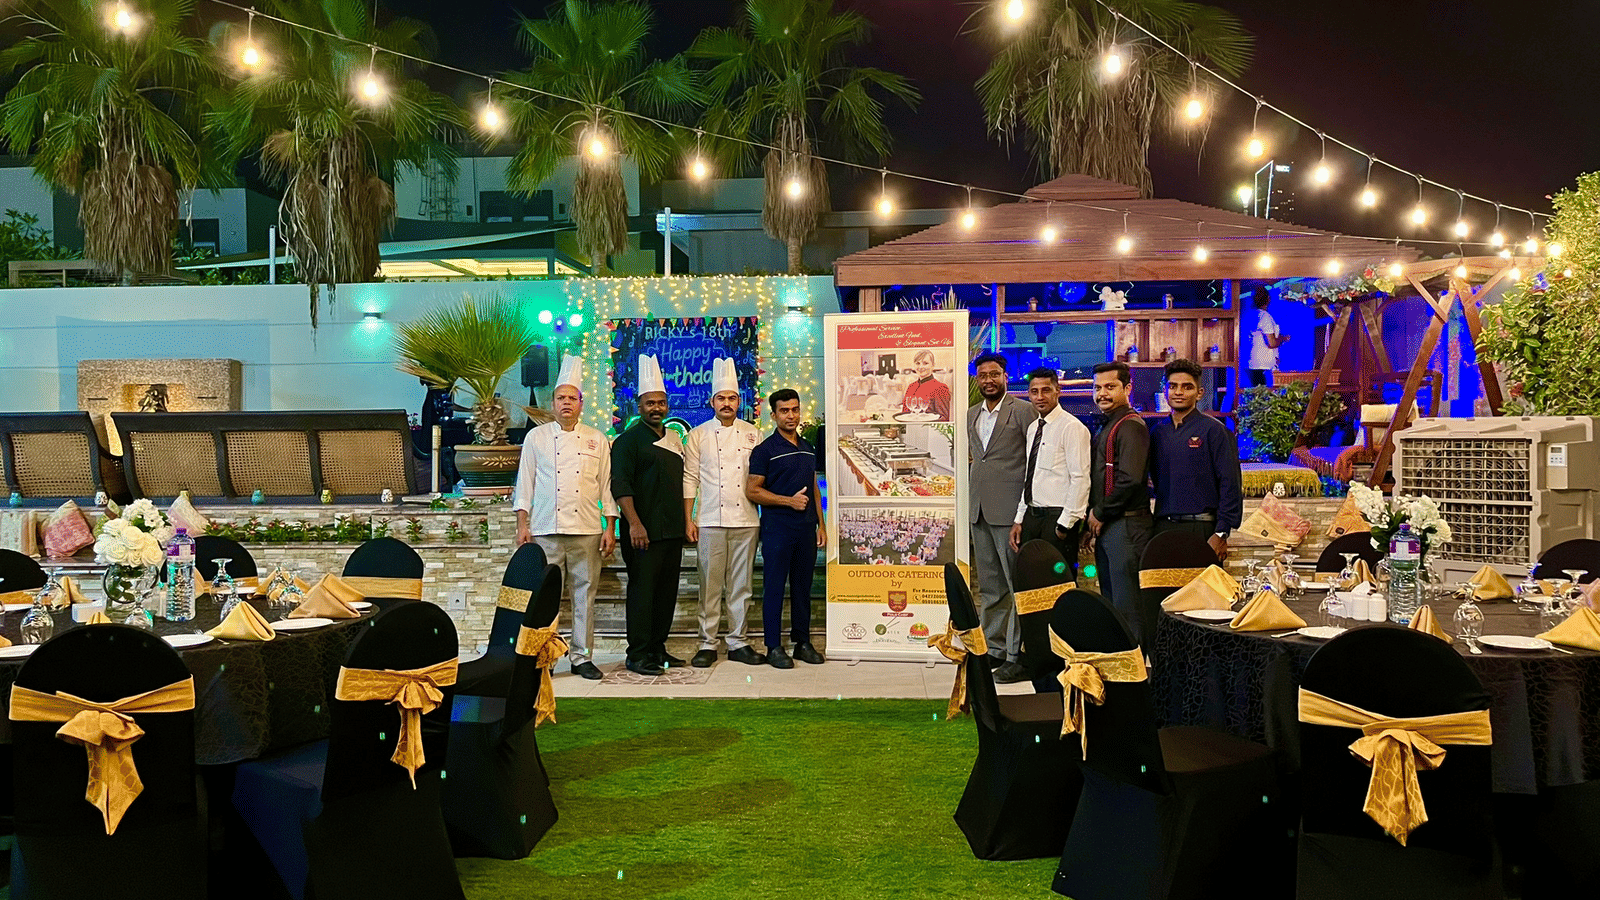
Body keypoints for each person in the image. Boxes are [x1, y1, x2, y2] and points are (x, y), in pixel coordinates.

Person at [512, 357, 617, 680]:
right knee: (546, 599)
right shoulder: (537, 438)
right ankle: (544, 656)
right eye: (561, 398)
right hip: (545, 529)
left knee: (585, 594)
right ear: (553, 403)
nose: (566, 403)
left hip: (586, 528)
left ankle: (582, 657)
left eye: (572, 398)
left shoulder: (597, 438)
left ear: (581, 403)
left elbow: (606, 485)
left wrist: (609, 526)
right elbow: (525, 482)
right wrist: (522, 524)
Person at [682, 359, 766, 668]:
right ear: (712, 401)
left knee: (742, 585)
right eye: (721, 398)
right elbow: (690, 478)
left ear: (739, 401)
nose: (727, 403)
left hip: (746, 520)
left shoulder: (753, 434)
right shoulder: (699, 435)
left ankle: (738, 642)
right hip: (709, 520)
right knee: (710, 585)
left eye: (732, 398)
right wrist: (688, 518)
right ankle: (707, 642)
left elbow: (760, 478)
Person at [611, 355, 687, 677]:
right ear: (638, 406)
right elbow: (621, 485)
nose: (656, 408)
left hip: (671, 532)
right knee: (642, 594)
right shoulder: (627, 441)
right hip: (642, 534)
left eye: (661, 402)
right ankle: (638, 654)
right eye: (649, 403)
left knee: (666, 594)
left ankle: (658, 647)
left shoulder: (674, 440)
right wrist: (635, 523)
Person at [746, 389, 826, 668]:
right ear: (774, 415)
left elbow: (814, 487)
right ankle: (773, 647)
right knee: (775, 588)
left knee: (803, 588)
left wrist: (821, 525)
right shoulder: (764, 450)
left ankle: (802, 643)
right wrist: (787, 501)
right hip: (777, 530)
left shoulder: (808, 447)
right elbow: (752, 490)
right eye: (784, 411)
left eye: (794, 409)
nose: (790, 415)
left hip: (806, 530)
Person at [966, 352, 1033, 684]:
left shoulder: (1023, 411)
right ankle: (993, 648)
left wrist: (1024, 509)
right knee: (991, 587)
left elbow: (1032, 462)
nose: (988, 380)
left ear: (1006, 376)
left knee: (1014, 585)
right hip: (978, 509)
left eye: (994, 374)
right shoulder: (970, 414)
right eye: (983, 375)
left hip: (1010, 512)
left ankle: (1014, 653)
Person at [1087, 361, 1153, 643]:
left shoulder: (1131, 426)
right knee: (1114, 604)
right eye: (1098, 387)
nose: (1102, 393)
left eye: (1110, 387)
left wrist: (1099, 513)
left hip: (1127, 526)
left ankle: (1135, 676)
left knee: (1128, 609)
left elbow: (1130, 479)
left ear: (1127, 388)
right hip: (1114, 525)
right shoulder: (1112, 424)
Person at [1009, 368, 1091, 577]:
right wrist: (1020, 519)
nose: (1039, 397)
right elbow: (1031, 476)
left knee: (1060, 583)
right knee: (1032, 583)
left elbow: (1080, 479)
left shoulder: (1072, 427)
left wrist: (1065, 525)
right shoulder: (1033, 428)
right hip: (1032, 517)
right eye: (1034, 391)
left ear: (1058, 391)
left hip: (1057, 518)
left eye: (1046, 390)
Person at [1247, 286, 1288, 387]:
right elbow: (1272, 343)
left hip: (1253, 364)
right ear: (1268, 299)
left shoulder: (1252, 315)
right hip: (1264, 366)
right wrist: (1283, 339)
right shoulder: (1265, 317)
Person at [900, 349, 952, 420]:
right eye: (917, 363)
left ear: (933, 365)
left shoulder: (940, 388)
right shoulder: (911, 387)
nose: (921, 367)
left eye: (925, 363)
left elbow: (943, 418)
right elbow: (904, 413)